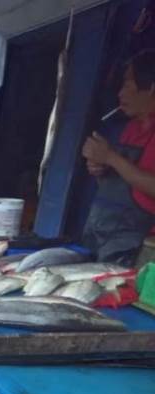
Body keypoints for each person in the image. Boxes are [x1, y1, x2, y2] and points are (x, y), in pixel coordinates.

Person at [82, 50, 155, 265]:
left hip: (138, 248)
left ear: (151, 88)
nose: (121, 93)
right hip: (99, 234)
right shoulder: (130, 128)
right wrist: (100, 168)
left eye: (127, 85)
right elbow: (118, 185)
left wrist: (111, 158)